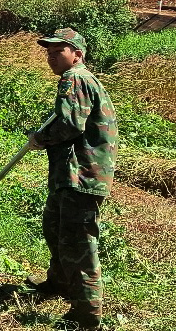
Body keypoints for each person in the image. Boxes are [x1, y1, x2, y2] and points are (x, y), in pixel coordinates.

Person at [24, 28, 118, 330]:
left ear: (77, 54)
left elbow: (69, 124)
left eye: (58, 51)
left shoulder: (75, 78)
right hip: (72, 174)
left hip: (82, 175)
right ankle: (59, 283)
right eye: (48, 53)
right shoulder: (81, 79)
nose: (51, 57)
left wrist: (41, 138)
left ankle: (87, 316)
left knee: (78, 244)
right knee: (55, 228)